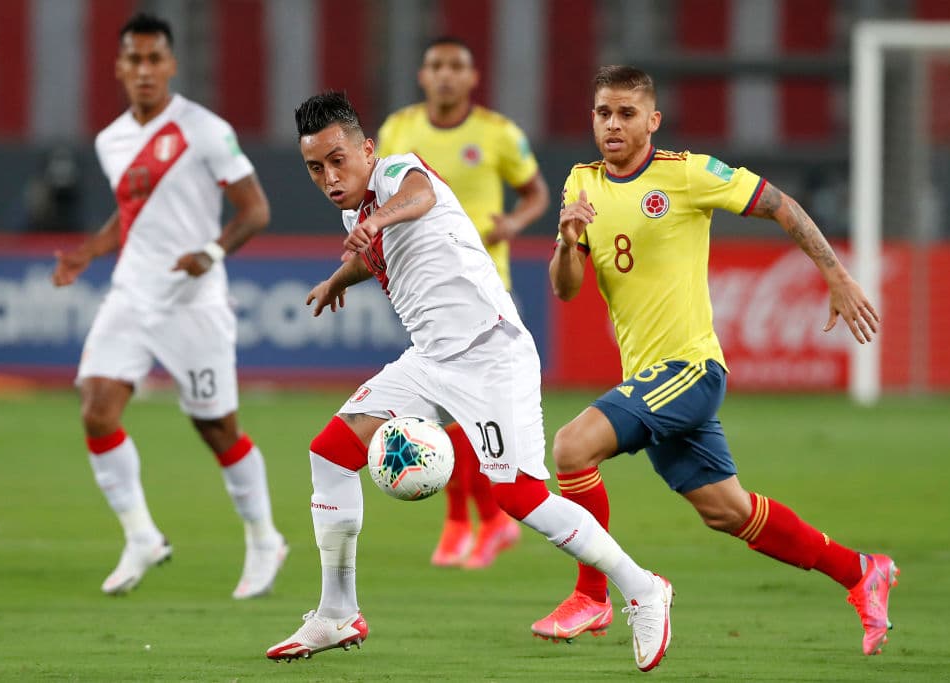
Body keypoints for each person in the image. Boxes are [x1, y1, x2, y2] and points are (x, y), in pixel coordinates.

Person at [264, 91, 673, 673]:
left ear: (366, 150)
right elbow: (375, 252)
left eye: (338, 160)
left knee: (518, 497)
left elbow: (419, 197)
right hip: (430, 361)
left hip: (490, 353)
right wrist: (340, 278)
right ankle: (337, 611)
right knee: (330, 454)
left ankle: (642, 588)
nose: (330, 177)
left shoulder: (399, 173)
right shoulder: (355, 211)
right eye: (315, 168)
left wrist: (376, 218)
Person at [536, 64, 897, 656]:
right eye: (603, 112)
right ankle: (861, 572)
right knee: (727, 511)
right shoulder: (581, 183)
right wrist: (567, 241)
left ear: (652, 120)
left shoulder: (688, 174)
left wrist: (835, 275)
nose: (613, 124)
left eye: (627, 113)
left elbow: (781, 205)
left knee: (572, 448)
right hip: (650, 380)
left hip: (689, 370)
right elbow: (567, 288)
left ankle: (593, 595)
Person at [51, 13, 286, 599]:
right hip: (132, 294)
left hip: (194, 302)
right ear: (120, 68)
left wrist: (211, 250)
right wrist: (91, 250)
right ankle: (140, 535)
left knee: (216, 428)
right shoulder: (110, 141)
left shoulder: (205, 129)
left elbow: (255, 210)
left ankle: (263, 537)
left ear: (172, 65)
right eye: (135, 60)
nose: (145, 70)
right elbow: (131, 213)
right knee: (97, 410)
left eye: (156, 59)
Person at [376, 36, 550, 569]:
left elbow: (536, 192)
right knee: (450, 413)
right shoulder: (398, 130)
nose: (446, 75)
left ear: (473, 77)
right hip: (424, 286)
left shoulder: (497, 134)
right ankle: (475, 521)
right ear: (422, 76)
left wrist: (515, 223)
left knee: (466, 413)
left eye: (457, 65)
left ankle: (475, 523)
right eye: (436, 66)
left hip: (483, 287)